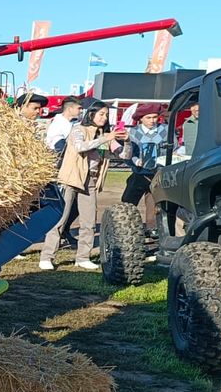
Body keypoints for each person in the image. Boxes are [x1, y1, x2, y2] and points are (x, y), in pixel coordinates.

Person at [40, 101, 126, 270]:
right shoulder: (78, 129)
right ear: (91, 114)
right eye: (101, 114)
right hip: (72, 178)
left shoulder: (106, 134)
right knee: (61, 218)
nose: (104, 118)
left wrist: (127, 141)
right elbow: (80, 147)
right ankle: (47, 256)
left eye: (106, 115)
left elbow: (123, 154)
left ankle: (83, 257)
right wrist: (104, 138)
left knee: (89, 220)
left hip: (91, 180)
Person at [121, 103, 166, 224]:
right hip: (139, 174)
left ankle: (152, 231)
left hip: (158, 174)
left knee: (154, 207)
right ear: (141, 118)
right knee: (127, 204)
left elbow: (176, 148)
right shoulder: (133, 132)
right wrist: (135, 161)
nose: (152, 120)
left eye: (155, 117)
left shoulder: (165, 130)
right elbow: (126, 153)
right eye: (148, 117)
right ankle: (126, 228)